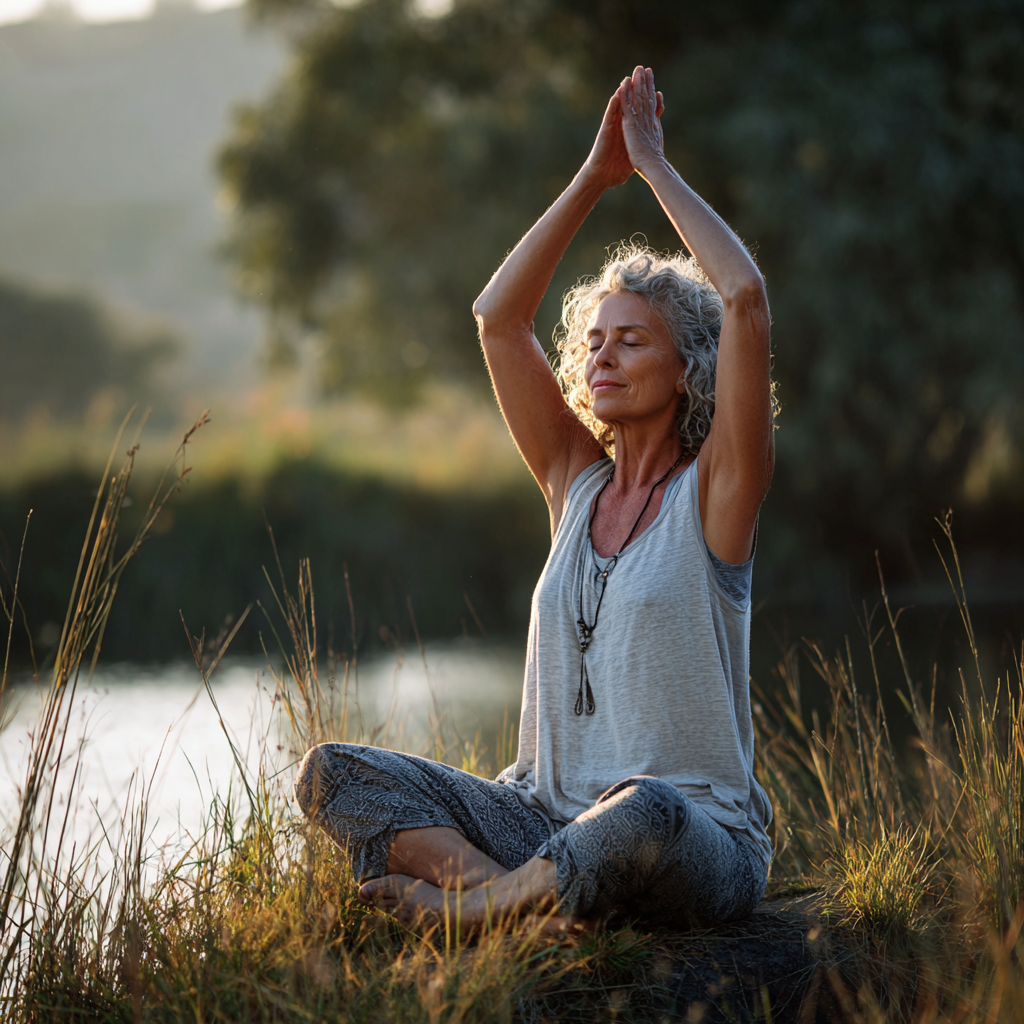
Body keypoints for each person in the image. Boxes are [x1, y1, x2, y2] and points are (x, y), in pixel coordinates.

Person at [295, 65, 774, 931]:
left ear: (689, 368)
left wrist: (653, 167)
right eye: (594, 341)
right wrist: (595, 174)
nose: (603, 357)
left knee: (646, 808)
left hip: (698, 837)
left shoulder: (717, 495)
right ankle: (517, 907)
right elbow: (498, 319)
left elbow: (744, 297)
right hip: (541, 820)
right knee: (335, 772)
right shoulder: (572, 480)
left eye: (632, 342)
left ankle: (477, 912)